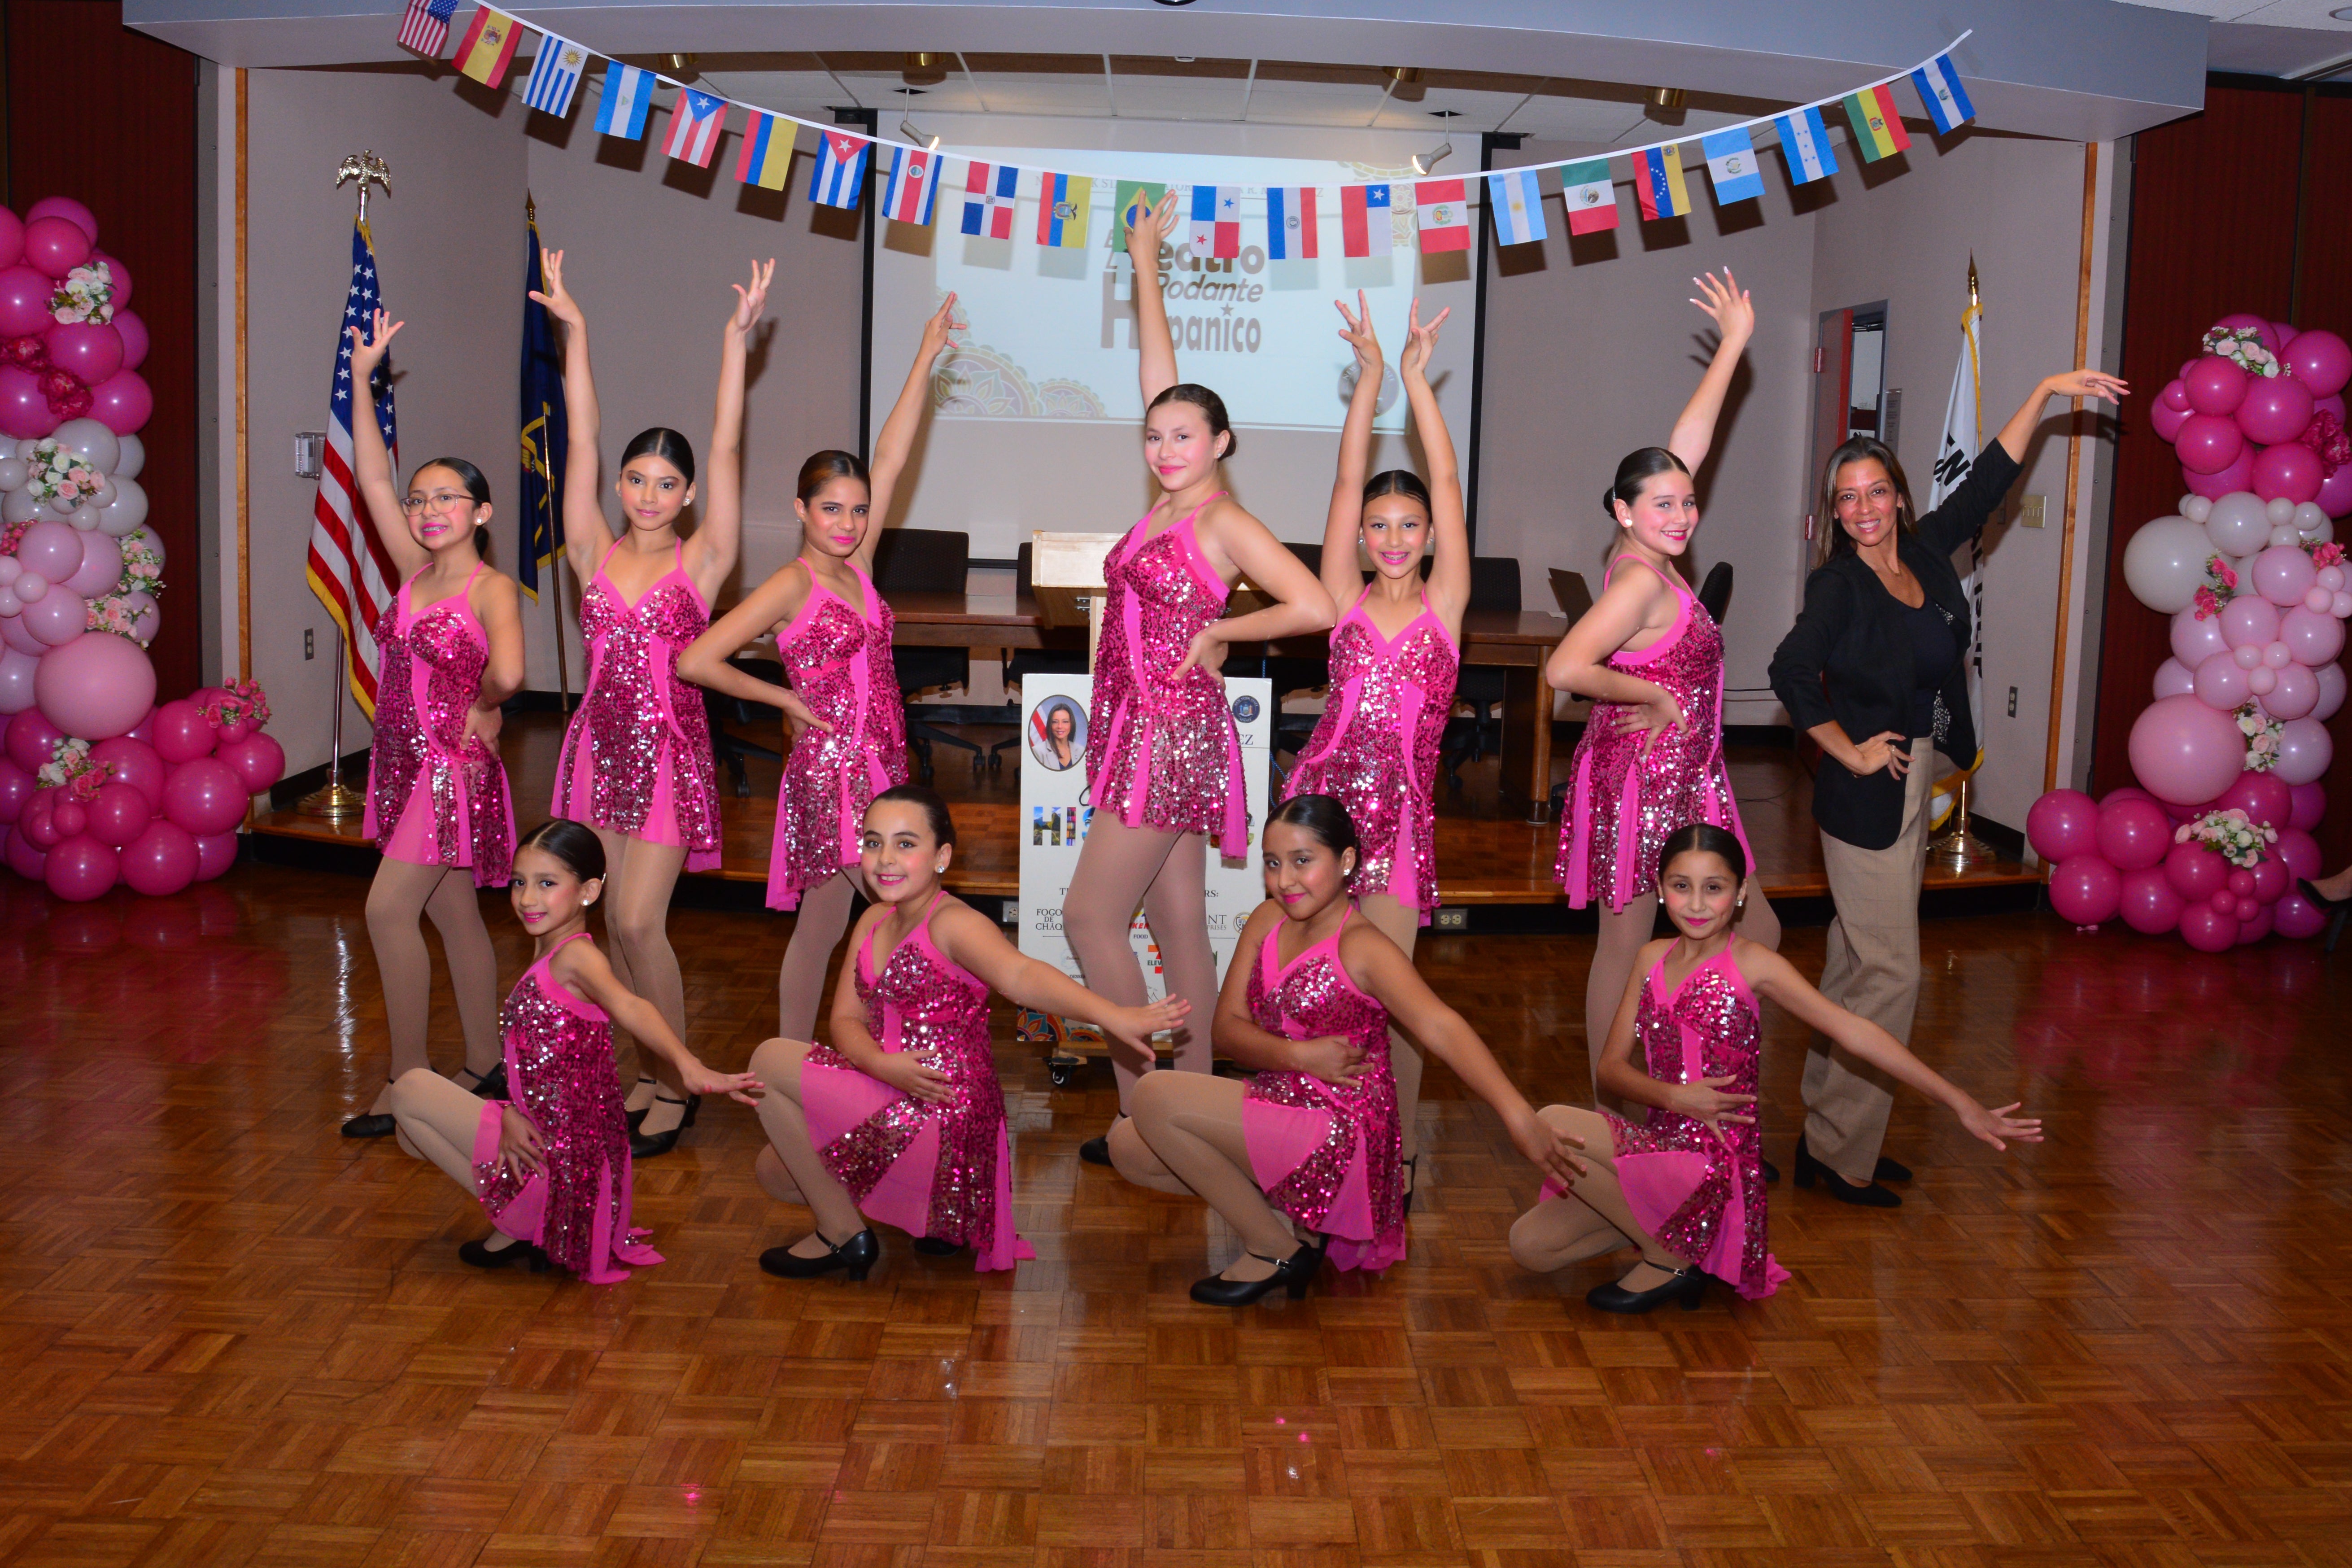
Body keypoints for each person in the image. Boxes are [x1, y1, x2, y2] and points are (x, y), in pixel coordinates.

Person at [1768, 366, 2125, 1203]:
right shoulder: (1838, 585)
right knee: (1892, 972)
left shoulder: (1927, 553)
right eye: (1846, 498)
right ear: (1834, 513)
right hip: (1866, 793)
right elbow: (1788, 669)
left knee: (1857, 961)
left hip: (1916, 771)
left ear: (1897, 496)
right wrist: (1845, 750)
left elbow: (1988, 478)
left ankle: (1826, 1131)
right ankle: (1842, 1155)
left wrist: (2044, 391)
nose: (1862, 508)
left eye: (1874, 491)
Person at [1067, 191, 1337, 1166]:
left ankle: (1145, 1115)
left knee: (1088, 918)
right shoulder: (1166, 508)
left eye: (1183, 436)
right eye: (1154, 436)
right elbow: (1162, 377)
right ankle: (1206, 1112)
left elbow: (1313, 604)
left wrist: (1222, 627)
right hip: (1147, 724)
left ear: (1220, 443)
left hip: (1167, 728)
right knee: (1177, 921)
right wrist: (1145, 261)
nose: (1165, 447)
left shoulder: (1221, 518)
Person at [1508, 824, 2041, 1312]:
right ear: (1661, 889)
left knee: (1552, 1120)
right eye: (1681, 887)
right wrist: (1674, 1097)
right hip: (1661, 1144)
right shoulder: (1650, 959)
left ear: (1740, 892)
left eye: (1714, 888)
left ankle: (1671, 1256)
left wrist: (1959, 1102)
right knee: (1529, 1246)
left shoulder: (1753, 964)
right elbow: (1608, 1071)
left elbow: (1854, 1032)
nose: (1697, 904)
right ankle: (1675, 1239)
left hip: (1714, 1165)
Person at [1110, 795, 1581, 1306]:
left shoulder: (1362, 946)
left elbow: (1442, 1027)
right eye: (1273, 863)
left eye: (1302, 861)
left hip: (1339, 1129)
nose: (1285, 880)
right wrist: (1301, 1057)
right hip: (1280, 1100)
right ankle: (1290, 1223)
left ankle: (1274, 1250)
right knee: (1128, 1147)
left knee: (1154, 1094)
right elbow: (1224, 1030)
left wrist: (1518, 1116)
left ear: (1347, 861)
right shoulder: (1266, 921)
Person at [530, 247, 770, 1157]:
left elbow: (727, 445)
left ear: (689, 495)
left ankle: (676, 1081)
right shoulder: (590, 548)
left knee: (638, 920)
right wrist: (576, 332)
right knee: (614, 931)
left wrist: (736, 345)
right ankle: (645, 1069)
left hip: (667, 753)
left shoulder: (701, 560)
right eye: (637, 479)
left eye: (667, 484)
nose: (648, 494)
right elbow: (580, 440)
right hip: (596, 750)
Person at [746, 786, 1187, 1279]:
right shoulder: (872, 919)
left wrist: (1113, 1015)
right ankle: (930, 1216)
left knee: (769, 1059)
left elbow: (1021, 975)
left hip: (941, 1116)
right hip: (887, 1086)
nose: (885, 858)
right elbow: (844, 1021)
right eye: (873, 843)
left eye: (905, 844)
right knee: (776, 1170)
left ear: (942, 857)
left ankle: (844, 1234)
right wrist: (880, 1064)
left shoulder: (954, 923)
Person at [678, 296, 960, 1044]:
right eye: (831, 509)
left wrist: (924, 356)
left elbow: (892, 457)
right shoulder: (791, 583)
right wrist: (784, 699)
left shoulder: (858, 566)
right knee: (867, 915)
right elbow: (696, 659)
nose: (848, 522)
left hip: (883, 763)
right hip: (831, 771)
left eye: (858, 510)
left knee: (847, 920)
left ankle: (817, 1054)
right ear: (801, 509)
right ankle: (836, 1055)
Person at [1548, 272, 1781, 1111]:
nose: (1680, 514)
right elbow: (1564, 669)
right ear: (1623, 511)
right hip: (1644, 779)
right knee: (1624, 944)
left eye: (1686, 501)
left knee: (1756, 928)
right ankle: (1611, 1117)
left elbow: (1690, 440)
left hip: (1692, 775)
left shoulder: (1656, 561)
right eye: (1661, 504)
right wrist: (1646, 698)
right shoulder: (1638, 582)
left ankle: (1698, 1084)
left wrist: (1731, 345)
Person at [387, 819, 763, 1279]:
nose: (528, 898)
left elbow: (631, 1005)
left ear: (588, 891)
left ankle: (528, 1217)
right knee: (409, 1134)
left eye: (547, 884)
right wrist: (511, 1109)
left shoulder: (577, 957)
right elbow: (537, 1066)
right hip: (557, 1143)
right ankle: (524, 1215)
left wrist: (689, 1065)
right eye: (519, 882)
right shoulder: (550, 948)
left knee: (408, 1091)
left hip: (563, 1162)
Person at [1282, 293, 1462, 1205]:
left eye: (1409, 526)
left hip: (1394, 834)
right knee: (1306, 989)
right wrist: (1367, 383)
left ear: (1429, 536)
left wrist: (1416, 382)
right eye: (1378, 526)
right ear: (1360, 536)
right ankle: (1312, 1136)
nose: (1392, 538)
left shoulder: (1444, 605)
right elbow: (1345, 478)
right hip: (1319, 815)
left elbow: (1445, 475)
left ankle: (1395, 1154)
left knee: (1394, 1000)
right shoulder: (1341, 597)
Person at [338, 307, 524, 1140]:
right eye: (421, 498)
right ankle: (485, 1062)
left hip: (449, 765)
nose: (426, 507)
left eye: (447, 497)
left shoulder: (490, 588)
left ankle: (405, 1078)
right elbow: (372, 479)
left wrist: (480, 703)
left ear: (482, 512)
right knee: (452, 913)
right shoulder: (415, 572)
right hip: (404, 762)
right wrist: (364, 377)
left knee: (387, 911)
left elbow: (512, 673)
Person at [1032, 699, 1082, 771]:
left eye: (1065, 722)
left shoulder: (1081, 750)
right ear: (1050, 725)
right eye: (1055, 722)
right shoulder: (1038, 752)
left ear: (1072, 724)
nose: (1060, 726)